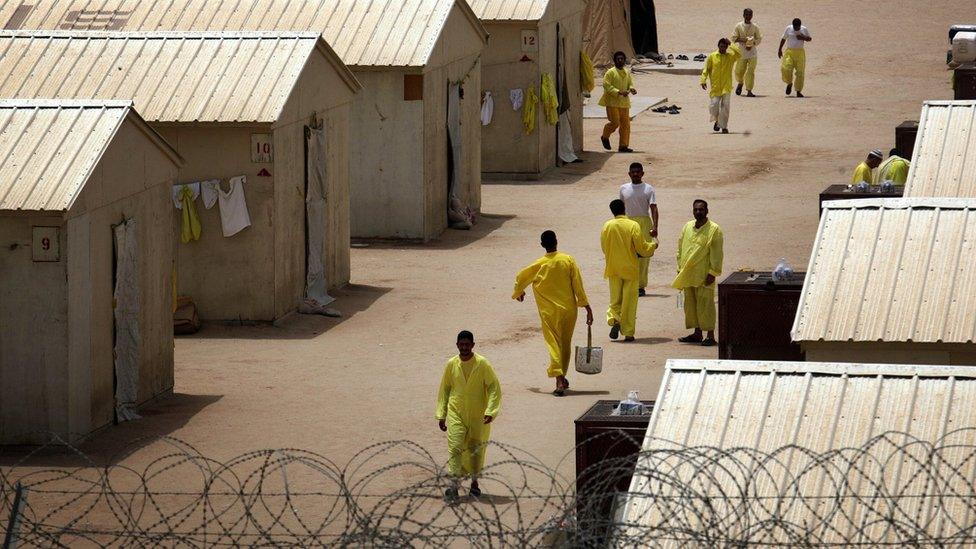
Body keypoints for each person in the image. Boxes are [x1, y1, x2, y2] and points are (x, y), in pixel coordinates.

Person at [513, 231, 594, 397]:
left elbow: (521, 277)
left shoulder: (539, 264)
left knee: (553, 344)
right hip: (569, 310)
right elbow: (578, 284)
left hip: (549, 313)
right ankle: (562, 377)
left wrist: (519, 291)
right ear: (557, 241)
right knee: (565, 344)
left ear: (542, 245)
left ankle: (558, 379)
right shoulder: (567, 260)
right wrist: (586, 306)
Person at [436, 330, 502, 502]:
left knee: (475, 449)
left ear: (473, 345)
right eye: (461, 344)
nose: (464, 347)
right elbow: (445, 389)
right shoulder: (451, 364)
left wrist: (490, 411)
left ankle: (474, 482)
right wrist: (441, 414)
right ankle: (454, 485)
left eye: (467, 344)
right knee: (455, 446)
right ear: (457, 345)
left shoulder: (482, 364)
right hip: (455, 411)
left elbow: (494, 387)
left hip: (478, 414)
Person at [602, 199, 658, 342]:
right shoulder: (633, 225)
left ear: (612, 211)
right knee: (630, 301)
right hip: (630, 269)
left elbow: (604, 247)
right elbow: (641, 247)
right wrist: (653, 245)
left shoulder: (607, 226)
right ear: (624, 208)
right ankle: (628, 332)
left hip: (613, 268)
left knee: (615, 300)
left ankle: (615, 319)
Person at [673, 200, 724, 347]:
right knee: (691, 305)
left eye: (701, 210)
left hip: (704, 275)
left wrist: (713, 272)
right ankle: (697, 333)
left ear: (707, 211)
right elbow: (680, 249)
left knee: (706, 305)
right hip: (687, 274)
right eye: (696, 210)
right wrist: (679, 268)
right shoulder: (687, 226)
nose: (698, 212)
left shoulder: (714, 230)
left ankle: (710, 335)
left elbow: (717, 254)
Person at [619, 162, 659, 296]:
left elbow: (653, 208)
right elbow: (621, 208)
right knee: (628, 254)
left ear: (642, 174)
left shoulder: (649, 189)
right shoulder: (623, 188)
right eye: (633, 172)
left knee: (643, 256)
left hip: (644, 223)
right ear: (629, 174)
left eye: (638, 172)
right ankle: (629, 283)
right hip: (628, 222)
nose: (635, 174)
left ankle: (640, 286)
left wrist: (655, 226)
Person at [700, 38, 741, 134]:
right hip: (715, 87)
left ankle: (724, 127)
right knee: (713, 106)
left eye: (725, 47)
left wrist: (731, 44)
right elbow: (706, 69)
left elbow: (739, 54)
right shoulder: (712, 56)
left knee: (725, 106)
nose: (723, 48)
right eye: (721, 46)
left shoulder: (730, 57)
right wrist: (703, 80)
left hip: (726, 86)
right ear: (718, 46)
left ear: (727, 47)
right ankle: (717, 121)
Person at [599, 51, 637, 153]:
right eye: (618, 59)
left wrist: (632, 89)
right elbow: (606, 86)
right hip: (612, 102)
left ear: (624, 60)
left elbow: (630, 83)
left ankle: (623, 145)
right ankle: (605, 136)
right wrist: (619, 92)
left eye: (622, 59)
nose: (620, 60)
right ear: (615, 60)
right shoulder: (610, 72)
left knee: (625, 124)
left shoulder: (626, 72)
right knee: (615, 123)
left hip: (624, 103)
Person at [732, 8, 762, 97]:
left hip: (752, 53)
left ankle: (749, 90)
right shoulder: (738, 26)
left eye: (750, 15)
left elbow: (759, 38)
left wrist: (752, 43)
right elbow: (733, 38)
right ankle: (740, 83)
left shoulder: (755, 27)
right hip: (741, 53)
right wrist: (745, 40)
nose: (748, 16)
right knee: (738, 71)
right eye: (747, 15)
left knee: (750, 71)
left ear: (752, 16)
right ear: (743, 15)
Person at [778, 18, 812, 98]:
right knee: (786, 68)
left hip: (800, 53)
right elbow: (783, 39)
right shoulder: (789, 28)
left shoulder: (804, 29)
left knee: (800, 72)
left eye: (798, 27)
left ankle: (798, 91)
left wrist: (803, 37)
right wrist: (779, 49)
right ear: (793, 25)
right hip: (789, 52)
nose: (797, 29)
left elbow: (810, 39)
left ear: (800, 25)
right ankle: (789, 83)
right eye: (795, 27)